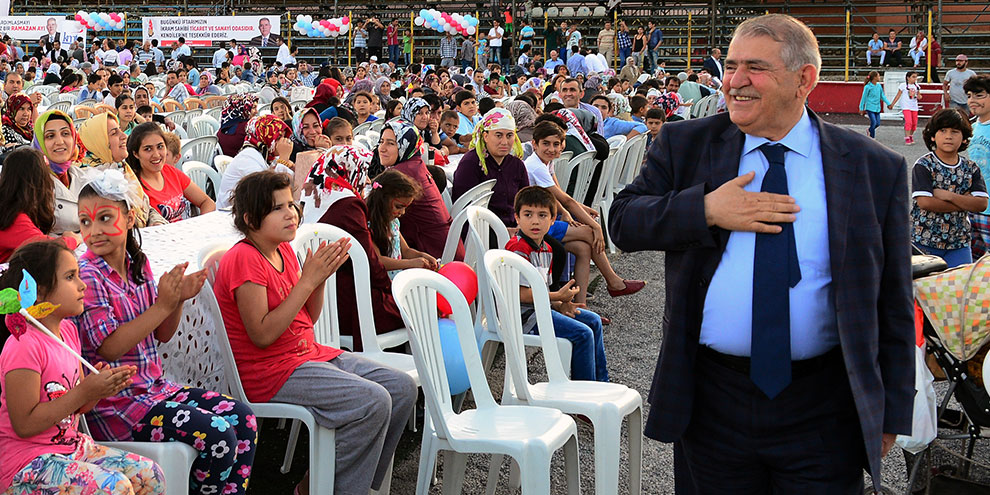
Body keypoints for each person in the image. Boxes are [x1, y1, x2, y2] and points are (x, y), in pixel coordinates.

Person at [609, 14, 914, 494]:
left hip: (824, 405)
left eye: (755, 67)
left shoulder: (874, 168)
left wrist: (892, 410)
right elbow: (623, 221)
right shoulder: (688, 144)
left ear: (804, 79)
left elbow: (893, 299)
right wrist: (706, 208)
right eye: (731, 66)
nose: (735, 81)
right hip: (713, 400)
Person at [215, 169, 415, 494]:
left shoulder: (282, 251)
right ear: (251, 219)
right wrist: (307, 281)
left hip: (308, 356)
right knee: (373, 400)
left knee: (401, 388)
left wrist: (318, 283)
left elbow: (307, 317)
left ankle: (341, 483)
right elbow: (262, 335)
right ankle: (336, 488)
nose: (291, 214)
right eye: (278, 208)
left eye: (291, 204)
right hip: (271, 372)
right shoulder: (244, 259)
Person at [73, 170, 256, 495]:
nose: (94, 231)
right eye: (85, 222)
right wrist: (162, 305)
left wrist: (177, 302)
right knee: (218, 435)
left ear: (129, 218)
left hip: (154, 390)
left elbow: (162, 336)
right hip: (118, 406)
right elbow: (109, 348)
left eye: (104, 218)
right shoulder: (88, 275)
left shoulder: (137, 264)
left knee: (243, 419)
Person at [0, 240, 163, 495]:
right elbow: (24, 424)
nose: (82, 284)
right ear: (38, 291)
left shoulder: (68, 331)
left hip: (72, 448)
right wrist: (84, 392)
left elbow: (75, 407)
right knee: (115, 488)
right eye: (70, 276)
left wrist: (98, 389)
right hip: (27, 464)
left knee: (150, 475)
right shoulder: (23, 345)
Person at [523, 120, 645, 304]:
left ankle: (580, 306)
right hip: (535, 224)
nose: (551, 149)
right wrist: (596, 226)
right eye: (546, 143)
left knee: (583, 248)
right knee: (589, 232)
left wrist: (571, 211)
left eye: (556, 144)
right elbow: (565, 199)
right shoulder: (535, 165)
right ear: (535, 144)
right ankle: (613, 281)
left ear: (562, 145)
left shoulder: (546, 162)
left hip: (546, 218)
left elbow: (558, 195)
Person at [506, 186, 609, 382]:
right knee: (582, 333)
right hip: (523, 316)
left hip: (541, 309)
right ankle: (583, 395)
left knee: (593, 320)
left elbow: (541, 291)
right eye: (528, 214)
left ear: (553, 220)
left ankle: (601, 384)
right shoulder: (518, 248)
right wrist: (557, 297)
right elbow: (520, 294)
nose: (535, 221)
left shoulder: (546, 248)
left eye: (543, 215)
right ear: (517, 218)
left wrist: (561, 304)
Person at [911, 109, 988, 267]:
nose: (948, 136)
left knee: (958, 289)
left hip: (958, 244)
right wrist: (965, 201)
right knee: (926, 289)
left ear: (964, 139)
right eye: (943, 130)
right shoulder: (924, 165)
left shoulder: (970, 168)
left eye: (955, 131)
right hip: (924, 243)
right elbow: (925, 202)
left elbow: (981, 204)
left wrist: (948, 196)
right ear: (933, 135)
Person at [375, 119, 461, 259]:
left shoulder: (401, 174)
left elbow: (369, 207)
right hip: (445, 249)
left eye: (391, 143)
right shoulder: (414, 163)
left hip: (432, 256)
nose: (382, 148)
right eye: (381, 141)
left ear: (406, 145)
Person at [78, 113, 166, 229]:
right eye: (114, 133)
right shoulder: (89, 184)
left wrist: (156, 223)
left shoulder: (121, 167)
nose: (124, 136)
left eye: (120, 130)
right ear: (98, 142)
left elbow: (146, 208)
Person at [452, 108, 529, 227]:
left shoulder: (516, 164)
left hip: (516, 227)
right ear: (486, 136)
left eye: (509, 136)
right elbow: (463, 208)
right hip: (481, 231)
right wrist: (503, 232)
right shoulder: (471, 162)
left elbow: (525, 201)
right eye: (498, 135)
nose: (504, 142)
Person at [0, 149, 80, 262]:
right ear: (37, 182)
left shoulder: (8, 208)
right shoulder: (13, 218)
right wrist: (72, 239)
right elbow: (50, 249)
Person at [129, 124, 214, 222]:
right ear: (136, 153)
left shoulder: (171, 172)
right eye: (148, 149)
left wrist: (200, 226)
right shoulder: (134, 186)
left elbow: (207, 202)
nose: (156, 155)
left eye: (160, 147)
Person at [365, 168, 438, 278]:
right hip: (383, 284)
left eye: (405, 208)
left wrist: (422, 256)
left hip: (397, 280)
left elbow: (406, 251)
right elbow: (378, 260)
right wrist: (410, 263)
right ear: (382, 200)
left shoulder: (393, 223)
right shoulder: (369, 226)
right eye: (399, 207)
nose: (402, 212)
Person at [217, 115, 294, 209]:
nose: (284, 141)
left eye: (284, 136)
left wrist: (290, 165)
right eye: (278, 138)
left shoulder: (268, 155)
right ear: (265, 137)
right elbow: (270, 191)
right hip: (232, 213)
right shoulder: (247, 157)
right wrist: (284, 159)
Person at [34, 110, 92, 236]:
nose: (59, 141)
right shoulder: (32, 184)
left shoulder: (83, 176)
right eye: (50, 136)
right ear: (39, 143)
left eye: (65, 133)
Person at [966, 75, 990, 259]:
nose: (972, 100)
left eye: (979, 95)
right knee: (975, 265)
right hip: (974, 208)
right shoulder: (970, 129)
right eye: (969, 95)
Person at [888, 71, 921, 145]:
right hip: (906, 106)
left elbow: (920, 96)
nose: (915, 79)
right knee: (908, 122)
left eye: (916, 77)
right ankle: (907, 137)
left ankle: (910, 135)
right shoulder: (903, 86)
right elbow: (898, 95)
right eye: (913, 77)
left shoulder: (917, 86)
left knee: (914, 123)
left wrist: (918, 96)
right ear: (908, 78)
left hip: (914, 106)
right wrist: (892, 104)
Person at [859, 70, 890, 139]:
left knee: (877, 123)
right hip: (870, 107)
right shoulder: (867, 87)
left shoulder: (879, 86)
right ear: (874, 77)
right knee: (873, 122)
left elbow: (882, 96)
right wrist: (861, 108)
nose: (879, 77)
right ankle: (872, 137)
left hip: (877, 108)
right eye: (878, 76)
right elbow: (863, 98)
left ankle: (869, 130)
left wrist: (888, 104)